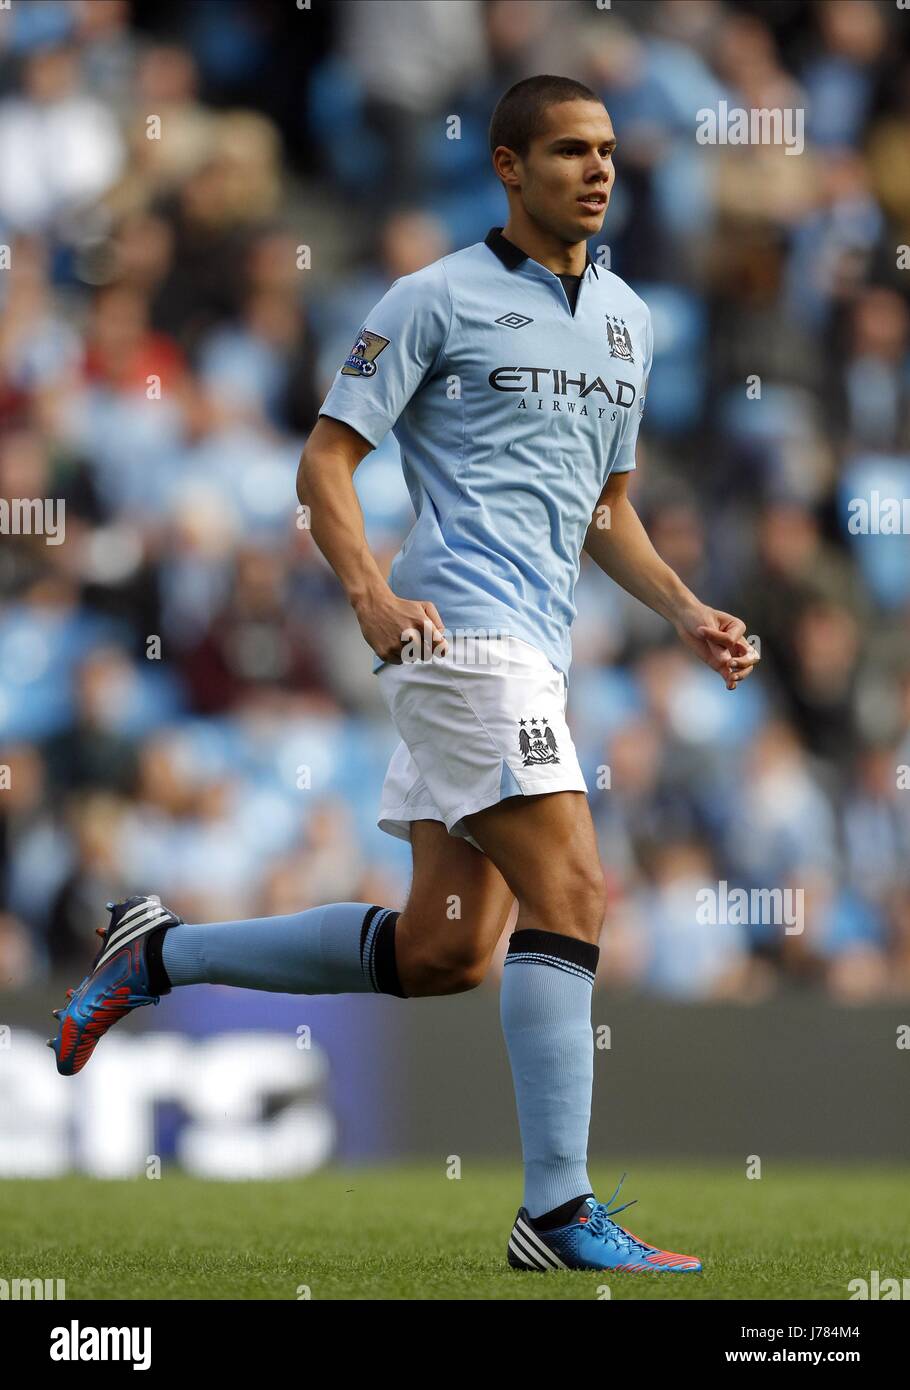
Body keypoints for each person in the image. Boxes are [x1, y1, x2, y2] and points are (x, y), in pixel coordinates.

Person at [50, 75, 758, 1274]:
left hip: (539, 648)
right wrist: (373, 594)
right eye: (570, 151)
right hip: (459, 638)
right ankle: (554, 1210)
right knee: (575, 890)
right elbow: (323, 467)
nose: (598, 171)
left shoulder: (630, 320)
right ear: (505, 166)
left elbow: (605, 511)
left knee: (443, 952)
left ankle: (156, 951)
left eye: (608, 154)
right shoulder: (432, 299)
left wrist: (686, 607)